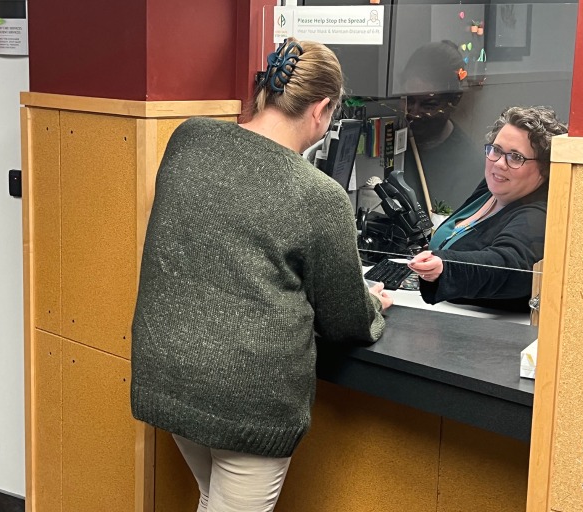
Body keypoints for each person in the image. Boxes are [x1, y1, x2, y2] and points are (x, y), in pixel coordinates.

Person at [130, 38, 392, 512]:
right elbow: (345, 319)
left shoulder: (188, 139)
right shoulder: (319, 195)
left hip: (166, 372)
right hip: (246, 396)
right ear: (323, 109)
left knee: (211, 498)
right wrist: (374, 303)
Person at [408, 105, 568, 311]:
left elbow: (508, 264)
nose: (500, 163)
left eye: (516, 157)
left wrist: (445, 266)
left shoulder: (536, 215)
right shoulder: (493, 189)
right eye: (496, 150)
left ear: (545, 168)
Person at [401, 41, 484, 212]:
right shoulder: (394, 138)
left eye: (428, 105)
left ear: (454, 101)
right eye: (409, 101)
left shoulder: (469, 168)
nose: (414, 113)